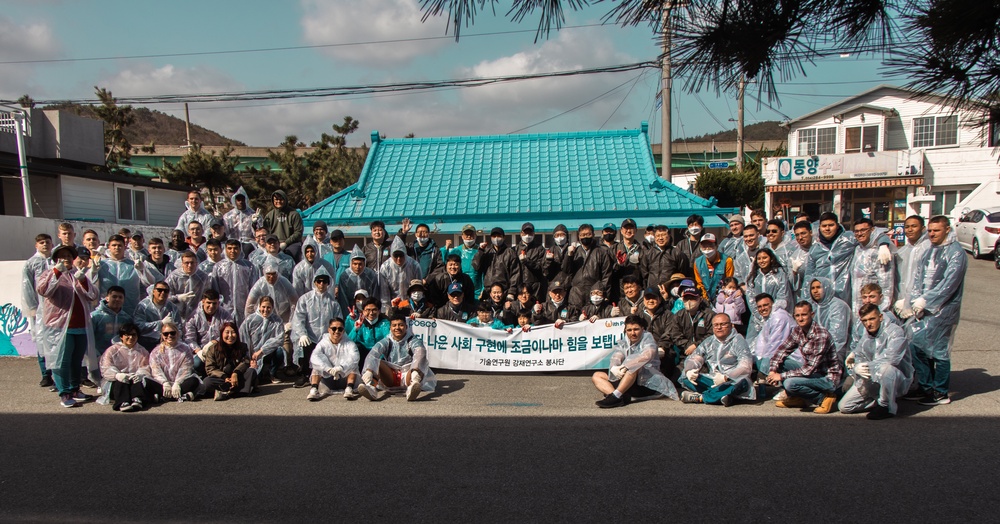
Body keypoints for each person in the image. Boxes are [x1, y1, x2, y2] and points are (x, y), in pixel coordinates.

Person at [905, 216, 966, 406]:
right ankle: (925, 388)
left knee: (939, 352)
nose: (932, 234)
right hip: (924, 309)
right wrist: (913, 301)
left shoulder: (956, 253)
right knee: (917, 346)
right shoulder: (930, 251)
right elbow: (919, 278)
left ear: (947, 230)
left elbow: (950, 284)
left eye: (936, 230)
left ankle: (940, 392)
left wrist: (927, 300)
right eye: (930, 230)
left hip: (944, 310)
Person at [36, 244, 99, 408]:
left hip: (80, 326)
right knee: (61, 362)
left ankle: (74, 389)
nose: (66, 259)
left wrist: (83, 279)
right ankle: (64, 393)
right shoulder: (48, 274)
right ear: (56, 259)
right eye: (62, 256)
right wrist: (56, 272)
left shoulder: (76, 275)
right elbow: (43, 290)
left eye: (69, 256)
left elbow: (92, 295)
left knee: (76, 360)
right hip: (59, 328)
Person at [766, 301, 842, 414]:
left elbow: (809, 369)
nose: (800, 318)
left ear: (812, 314)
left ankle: (824, 398)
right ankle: (800, 398)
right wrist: (773, 371)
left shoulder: (820, 335)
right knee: (776, 362)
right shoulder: (798, 330)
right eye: (797, 315)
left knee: (790, 383)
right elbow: (782, 350)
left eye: (804, 315)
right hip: (812, 372)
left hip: (826, 377)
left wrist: (780, 376)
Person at [840, 304, 913, 420]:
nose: (868, 323)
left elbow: (892, 358)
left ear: (880, 317)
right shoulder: (866, 337)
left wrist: (867, 366)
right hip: (874, 378)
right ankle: (879, 401)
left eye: (872, 319)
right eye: (865, 320)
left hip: (896, 376)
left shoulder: (895, 332)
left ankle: (887, 407)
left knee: (886, 369)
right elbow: (859, 357)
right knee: (844, 407)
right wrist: (855, 367)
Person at [592, 315, 678, 408]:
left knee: (633, 368)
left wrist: (625, 367)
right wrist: (614, 367)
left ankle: (616, 396)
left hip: (646, 384)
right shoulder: (625, 341)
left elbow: (648, 354)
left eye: (636, 329)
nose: (632, 333)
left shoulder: (648, 338)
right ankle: (616, 396)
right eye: (629, 330)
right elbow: (617, 355)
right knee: (597, 375)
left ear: (642, 328)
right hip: (628, 382)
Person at [679, 312, 755, 406]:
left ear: (731, 325)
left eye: (723, 324)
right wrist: (689, 370)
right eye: (716, 325)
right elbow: (696, 357)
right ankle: (722, 396)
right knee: (685, 378)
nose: (719, 327)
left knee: (740, 382)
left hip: (732, 380)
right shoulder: (709, 341)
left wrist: (726, 377)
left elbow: (745, 366)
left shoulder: (739, 341)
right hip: (714, 380)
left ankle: (701, 397)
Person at [357, 313, 437, 401]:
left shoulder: (414, 340)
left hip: (409, 375)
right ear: (390, 328)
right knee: (377, 361)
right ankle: (370, 387)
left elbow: (420, 352)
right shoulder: (386, 341)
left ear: (406, 327)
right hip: (391, 376)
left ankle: (413, 387)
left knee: (421, 356)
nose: (397, 328)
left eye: (401, 325)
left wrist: (415, 371)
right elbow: (373, 354)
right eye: (394, 325)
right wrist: (369, 371)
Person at [291, 267, 342, 387]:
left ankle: (324, 375)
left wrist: (333, 336)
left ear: (328, 284)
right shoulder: (305, 299)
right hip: (309, 336)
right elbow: (298, 318)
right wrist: (302, 334)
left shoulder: (333, 303)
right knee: (305, 352)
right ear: (314, 282)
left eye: (324, 281)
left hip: (326, 337)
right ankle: (304, 375)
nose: (321, 284)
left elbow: (338, 321)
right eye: (319, 281)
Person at [99, 323, 158, 412]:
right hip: (116, 383)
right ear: (121, 337)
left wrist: (139, 374)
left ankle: (138, 399)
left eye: (134, 335)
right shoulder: (112, 350)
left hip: (134, 382)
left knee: (138, 381)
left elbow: (145, 367)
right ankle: (123, 402)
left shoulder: (142, 351)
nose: (131, 337)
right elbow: (105, 367)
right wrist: (117, 375)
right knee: (121, 381)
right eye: (127, 335)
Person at [23, 233, 54, 388]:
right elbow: (27, 286)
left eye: (47, 242)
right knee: (41, 342)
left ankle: (57, 373)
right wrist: (32, 308)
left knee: (55, 341)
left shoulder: (56, 261)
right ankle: (45, 374)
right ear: (36, 245)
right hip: (40, 310)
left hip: (56, 310)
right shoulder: (31, 263)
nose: (45, 245)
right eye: (41, 242)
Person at [198, 322, 257, 400]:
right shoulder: (213, 349)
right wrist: (225, 377)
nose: (230, 336)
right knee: (207, 381)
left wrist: (235, 373)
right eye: (227, 332)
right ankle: (236, 390)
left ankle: (226, 392)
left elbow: (245, 362)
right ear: (221, 334)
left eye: (233, 332)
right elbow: (210, 368)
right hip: (222, 378)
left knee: (251, 371)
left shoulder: (243, 346)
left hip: (238, 376)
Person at [306, 317, 361, 401]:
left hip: (344, 376)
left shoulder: (349, 343)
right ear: (329, 330)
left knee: (353, 366)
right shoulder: (323, 343)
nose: (337, 331)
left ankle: (349, 388)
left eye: (340, 329)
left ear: (343, 331)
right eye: (334, 328)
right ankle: (314, 389)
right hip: (328, 377)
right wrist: (327, 369)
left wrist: (341, 368)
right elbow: (314, 356)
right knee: (316, 366)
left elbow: (355, 357)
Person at [848, 218, 895, 315]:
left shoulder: (879, 252)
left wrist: (881, 311)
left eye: (863, 230)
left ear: (872, 230)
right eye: (857, 231)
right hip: (858, 306)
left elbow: (886, 286)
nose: (860, 234)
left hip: (873, 310)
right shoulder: (858, 249)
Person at [745, 248, 793, 341]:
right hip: (757, 319)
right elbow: (751, 298)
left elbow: (783, 296)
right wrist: (760, 316)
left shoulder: (779, 274)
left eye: (764, 258)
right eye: (759, 258)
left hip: (776, 317)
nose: (762, 261)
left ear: (771, 259)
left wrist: (772, 315)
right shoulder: (753, 277)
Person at [565, 223, 615, 309]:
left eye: (588, 234)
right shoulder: (574, 252)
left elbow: (606, 276)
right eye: (582, 235)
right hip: (576, 294)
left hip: (594, 294)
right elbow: (566, 271)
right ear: (578, 237)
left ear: (593, 235)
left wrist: (604, 294)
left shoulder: (601, 252)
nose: (585, 237)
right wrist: (569, 256)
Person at [148, 319, 199, 402]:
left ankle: (164, 397)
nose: (169, 335)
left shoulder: (185, 349)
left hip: (180, 383)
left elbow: (186, 369)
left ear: (177, 333)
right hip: (162, 384)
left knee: (194, 381)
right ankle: (181, 396)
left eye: (172, 333)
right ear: (162, 335)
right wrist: (165, 383)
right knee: (147, 382)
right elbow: (155, 370)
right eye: (166, 334)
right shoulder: (156, 351)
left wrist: (177, 383)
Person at [184, 289, 234, 374]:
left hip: (220, 348)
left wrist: (216, 343)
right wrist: (199, 351)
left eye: (214, 303)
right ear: (203, 301)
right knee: (196, 364)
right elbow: (189, 338)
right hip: (201, 351)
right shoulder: (194, 316)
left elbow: (230, 331)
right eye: (209, 303)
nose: (211, 306)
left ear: (218, 303)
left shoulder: (224, 315)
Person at [748, 293, 798, 376]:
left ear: (773, 304)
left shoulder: (779, 318)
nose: (762, 308)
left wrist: (763, 370)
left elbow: (775, 347)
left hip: (792, 359)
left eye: (765, 305)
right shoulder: (770, 318)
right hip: (780, 358)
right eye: (759, 307)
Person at [212, 239, 259, 325]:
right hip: (224, 309)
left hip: (244, 308)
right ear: (225, 249)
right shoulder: (218, 267)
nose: (232, 251)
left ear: (240, 249)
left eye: (235, 248)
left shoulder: (249, 266)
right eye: (229, 248)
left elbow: (254, 290)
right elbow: (215, 290)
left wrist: (251, 308)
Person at [240, 296, 285, 384]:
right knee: (256, 379)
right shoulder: (250, 320)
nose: (266, 310)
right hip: (253, 355)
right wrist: (248, 356)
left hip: (268, 353)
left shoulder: (277, 321)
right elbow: (243, 338)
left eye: (268, 307)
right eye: (263, 307)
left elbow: (279, 339)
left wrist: (262, 350)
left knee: (280, 351)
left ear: (272, 308)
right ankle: (263, 373)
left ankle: (272, 373)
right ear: (259, 306)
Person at [90, 286, 132, 380]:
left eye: (120, 297)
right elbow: (89, 338)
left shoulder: (126, 318)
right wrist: (95, 355)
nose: (117, 299)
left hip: (118, 357)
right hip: (98, 356)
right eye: (114, 296)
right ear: (107, 298)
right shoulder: (96, 316)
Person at [806, 277, 853, 361]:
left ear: (826, 288)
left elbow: (837, 337)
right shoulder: (814, 307)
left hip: (837, 352)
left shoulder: (838, 306)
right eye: (812, 288)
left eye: (819, 287)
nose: (815, 291)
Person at [97, 234, 144, 315]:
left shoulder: (134, 265)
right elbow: (92, 284)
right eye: (114, 245)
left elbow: (148, 282)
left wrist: (142, 270)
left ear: (125, 247)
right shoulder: (101, 265)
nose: (117, 248)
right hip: (106, 312)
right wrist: (93, 271)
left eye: (119, 245)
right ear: (109, 247)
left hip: (130, 310)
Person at [815, 212, 857, 302]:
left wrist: (883, 244)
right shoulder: (815, 248)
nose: (827, 229)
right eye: (824, 226)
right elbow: (809, 276)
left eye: (831, 225)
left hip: (846, 294)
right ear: (819, 227)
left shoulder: (849, 238)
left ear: (837, 225)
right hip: (824, 297)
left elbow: (872, 234)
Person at [894, 215, 930, 319]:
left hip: (922, 303)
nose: (910, 230)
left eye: (914, 226)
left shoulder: (929, 249)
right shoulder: (902, 251)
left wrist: (923, 299)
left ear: (923, 228)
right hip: (902, 302)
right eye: (907, 227)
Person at [788, 220, 832, 300]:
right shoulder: (794, 256)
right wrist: (794, 272)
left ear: (811, 232)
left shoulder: (821, 249)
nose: (800, 237)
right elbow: (790, 284)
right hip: (804, 296)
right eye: (797, 235)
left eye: (803, 233)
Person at [134, 281, 182, 351]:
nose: (163, 293)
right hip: (146, 342)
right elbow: (139, 326)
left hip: (167, 341)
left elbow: (178, 328)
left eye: (166, 291)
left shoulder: (172, 307)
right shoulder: (143, 306)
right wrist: (160, 323)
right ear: (153, 291)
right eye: (159, 290)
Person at [165, 250, 212, 320]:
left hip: (197, 315)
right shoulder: (174, 276)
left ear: (196, 263)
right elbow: (165, 296)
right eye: (187, 263)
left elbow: (207, 296)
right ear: (182, 264)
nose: (189, 265)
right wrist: (178, 298)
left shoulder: (203, 277)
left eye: (192, 263)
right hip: (176, 314)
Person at [259, 189, 304, 261]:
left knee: (290, 254)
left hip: (291, 243)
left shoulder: (294, 214)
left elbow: (298, 232)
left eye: (281, 199)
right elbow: (264, 232)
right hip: (273, 242)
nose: (278, 201)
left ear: (285, 199)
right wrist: (255, 223)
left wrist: (286, 243)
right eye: (276, 199)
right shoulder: (269, 215)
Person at [379, 236, 422, 309]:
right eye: (396, 256)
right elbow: (384, 293)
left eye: (401, 255)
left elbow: (419, 288)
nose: (399, 259)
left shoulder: (414, 265)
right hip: (393, 305)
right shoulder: (385, 267)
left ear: (405, 254)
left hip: (410, 305)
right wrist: (387, 310)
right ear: (391, 255)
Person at [641, 225, 687, 293]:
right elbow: (644, 275)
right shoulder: (648, 254)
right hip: (653, 292)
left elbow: (682, 273)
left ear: (669, 236)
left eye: (663, 235)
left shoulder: (677, 253)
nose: (660, 238)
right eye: (658, 235)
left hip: (670, 291)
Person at [479, 227, 520, 301]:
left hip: (505, 292)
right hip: (488, 292)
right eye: (494, 236)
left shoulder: (510, 253)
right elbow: (476, 266)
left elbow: (515, 274)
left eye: (499, 236)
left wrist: (511, 292)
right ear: (491, 238)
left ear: (504, 237)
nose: (496, 238)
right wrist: (480, 251)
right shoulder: (486, 252)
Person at [336, 245, 380, 314]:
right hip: (351, 310)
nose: (357, 267)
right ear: (351, 263)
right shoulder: (345, 276)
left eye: (360, 264)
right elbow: (343, 299)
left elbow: (374, 296)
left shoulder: (370, 275)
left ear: (364, 263)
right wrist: (348, 316)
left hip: (368, 310)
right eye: (355, 264)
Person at [693, 233, 734, 300]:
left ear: (716, 246)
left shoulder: (727, 260)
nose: (707, 249)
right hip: (705, 299)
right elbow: (699, 283)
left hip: (722, 298)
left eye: (710, 245)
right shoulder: (697, 262)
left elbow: (729, 282)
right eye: (704, 246)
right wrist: (704, 299)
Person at [349, 297, 390, 363]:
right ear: (363, 311)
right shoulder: (360, 323)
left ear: (379, 311)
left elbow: (388, 340)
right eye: (368, 310)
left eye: (374, 310)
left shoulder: (385, 323)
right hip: (364, 356)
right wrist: (355, 329)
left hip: (381, 355)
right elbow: (349, 342)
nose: (371, 313)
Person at [515, 222, 548, 302]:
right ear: (521, 234)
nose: (527, 235)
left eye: (530, 233)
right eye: (525, 233)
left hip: (535, 287)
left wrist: (526, 261)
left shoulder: (540, 249)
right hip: (519, 286)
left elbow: (540, 268)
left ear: (533, 234)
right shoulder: (514, 250)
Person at [223, 187, 256, 251]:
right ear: (234, 201)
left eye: (242, 200)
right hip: (232, 244)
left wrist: (255, 224)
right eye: (238, 200)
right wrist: (218, 219)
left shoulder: (253, 214)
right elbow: (224, 233)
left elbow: (259, 233)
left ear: (246, 200)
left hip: (249, 244)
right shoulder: (228, 216)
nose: (241, 202)